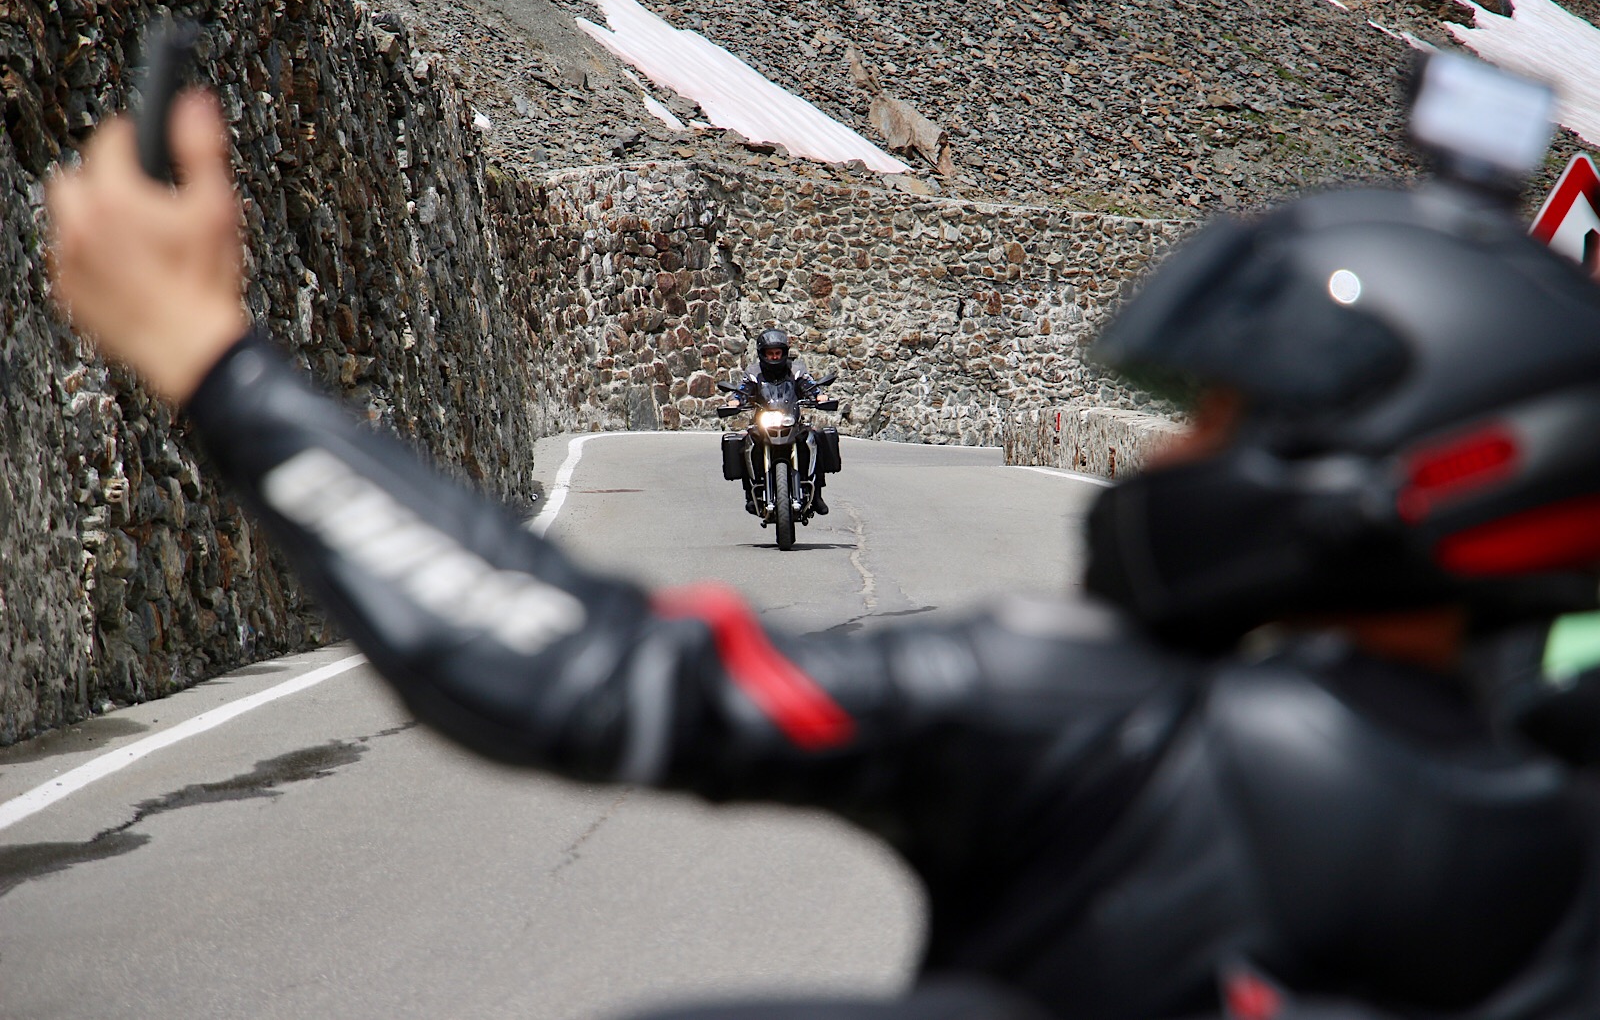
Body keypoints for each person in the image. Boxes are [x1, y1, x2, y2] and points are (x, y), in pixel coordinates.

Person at [47, 90, 1600, 1019]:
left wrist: (209, 354)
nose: (1175, 453)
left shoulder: (1098, 720)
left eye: (1224, 417)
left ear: (1400, 468)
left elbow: (575, 666)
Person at [723, 327, 833, 515]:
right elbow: (743, 390)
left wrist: (819, 396)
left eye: (777, 353)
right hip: (763, 424)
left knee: (816, 439)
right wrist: (735, 401)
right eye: (770, 353)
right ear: (762, 354)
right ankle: (751, 495)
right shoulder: (753, 373)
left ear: (784, 353)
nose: (774, 357)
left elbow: (809, 385)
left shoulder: (796, 371)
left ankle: (817, 495)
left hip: (792, 422)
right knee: (744, 444)